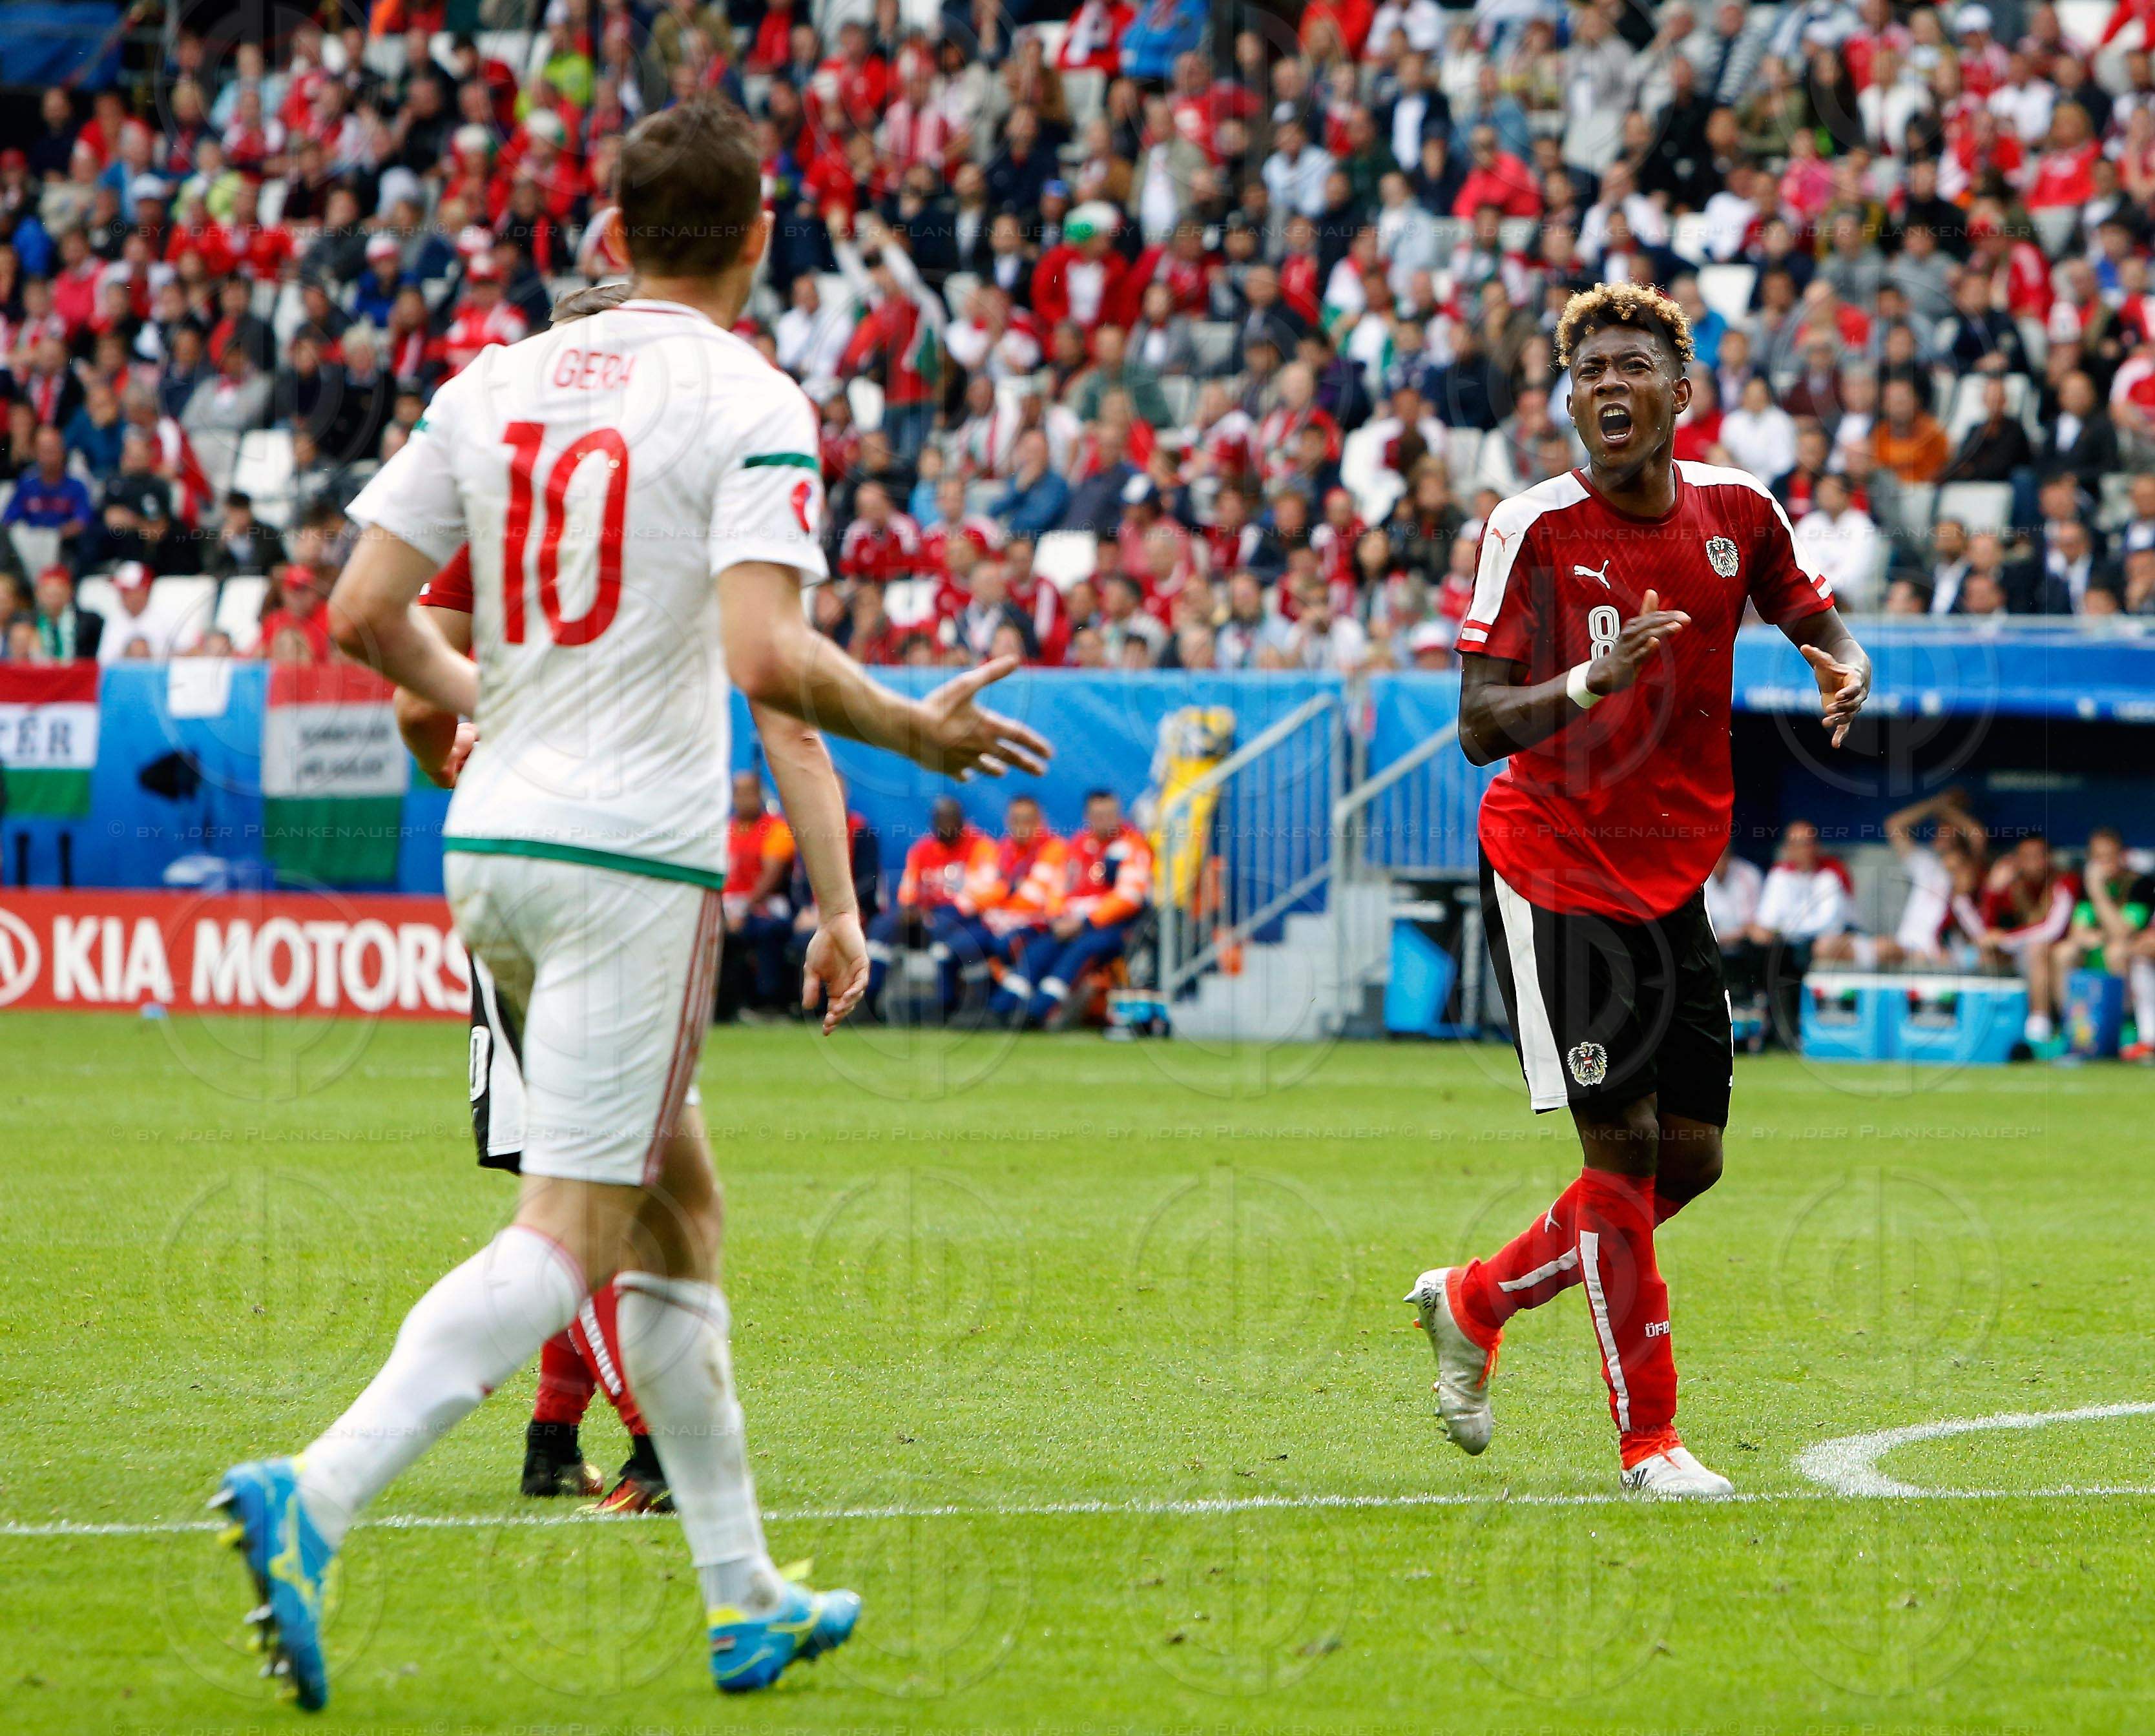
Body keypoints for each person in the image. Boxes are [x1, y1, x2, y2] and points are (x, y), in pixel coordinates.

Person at [214, 99, 1050, 1710]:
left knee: (679, 1206)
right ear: (759, 234)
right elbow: (766, 658)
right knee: (570, 1229)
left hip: (492, 845)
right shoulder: (750, 396)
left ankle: (742, 1595)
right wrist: (924, 731)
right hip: (628, 862)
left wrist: (491, 704)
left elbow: (364, 609)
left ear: (610, 230)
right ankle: (312, 1495)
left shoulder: (496, 378)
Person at [1410, 282, 1870, 1500]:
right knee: (1618, 1160)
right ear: (1570, 401)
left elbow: (1802, 604)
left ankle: (1474, 1297)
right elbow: (1472, 725)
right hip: (1554, 863)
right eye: (1586, 372)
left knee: (1694, 1159)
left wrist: (1846, 658)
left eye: (1629, 366)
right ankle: (1649, 1442)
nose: (1605, 386)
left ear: (1680, 388)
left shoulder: (1738, 509)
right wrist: (1579, 684)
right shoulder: (1532, 527)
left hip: (1672, 873)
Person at [990, 787, 1153, 1029]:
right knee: (1038, 950)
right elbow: (1059, 888)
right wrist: (1058, 918)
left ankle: (1038, 1012)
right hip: (1070, 924)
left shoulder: (1132, 845)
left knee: (1080, 950)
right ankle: (1001, 1009)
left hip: (1111, 927)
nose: (1104, 821)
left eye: (1110, 814)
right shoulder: (1078, 845)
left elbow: (1129, 896)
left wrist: (1085, 921)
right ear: (1087, 817)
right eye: (1098, 815)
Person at [864, 793, 992, 1019]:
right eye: (940, 820)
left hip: (962, 921)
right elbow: (908, 890)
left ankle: (944, 1009)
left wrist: (933, 912)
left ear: (962, 821)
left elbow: (979, 896)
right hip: (924, 921)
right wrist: (910, 908)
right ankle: (866, 999)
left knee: (946, 937)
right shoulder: (922, 849)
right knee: (883, 928)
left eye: (951, 819)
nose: (946, 826)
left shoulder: (981, 846)